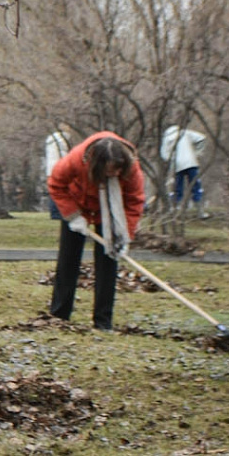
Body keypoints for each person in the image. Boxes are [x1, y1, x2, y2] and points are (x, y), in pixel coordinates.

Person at [48, 131, 145, 331]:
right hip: (77, 206)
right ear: (97, 165)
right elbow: (56, 184)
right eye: (110, 171)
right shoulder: (76, 159)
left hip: (110, 213)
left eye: (118, 170)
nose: (115, 175)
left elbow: (134, 201)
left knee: (108, 263)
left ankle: (103, 322)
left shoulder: (132, 167)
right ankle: (59, 315)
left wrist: (125, 235)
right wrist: (73, 216)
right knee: (68, 261)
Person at [160, 125, 210, 218]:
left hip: (177, 165)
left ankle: (177, 212)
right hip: (191, 162)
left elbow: (164, 154)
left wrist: (171, 160)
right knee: (196, 187)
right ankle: (200, 212)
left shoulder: (167, 137)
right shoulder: (185, 132)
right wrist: (197, 152)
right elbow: (201, 138)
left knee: (178, 188)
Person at [44, 125, 72, 220]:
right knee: (58, 191)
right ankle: (56, 213)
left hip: (50, 170)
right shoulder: (61, 141)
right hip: (58, 169)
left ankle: (55, 213)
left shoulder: (51, 140)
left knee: (53, 191)